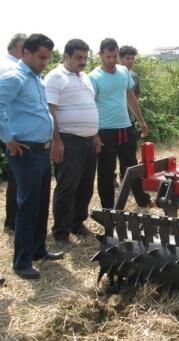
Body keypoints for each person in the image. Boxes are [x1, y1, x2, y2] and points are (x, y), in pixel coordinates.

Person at [0, 34, 64, 280]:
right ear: (25, 52)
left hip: (41, 149)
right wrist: (8, 138)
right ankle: (22, 261)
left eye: (47, 58)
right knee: (27, 206)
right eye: (41, 57)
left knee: (40, 202)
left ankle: (38, 249)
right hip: (24, 150)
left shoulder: (35, 79)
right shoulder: (14, 77)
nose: (44, 62)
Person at [44, 39, 100, 243]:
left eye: (85, 57)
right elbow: (50, 112)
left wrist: (94, 135)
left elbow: (89, 106)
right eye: (78, 57)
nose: (83, 61)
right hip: (68, 141)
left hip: (88, 141)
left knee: (86, 186)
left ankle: (77, 223)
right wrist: (56, 141)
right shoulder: (55, 77)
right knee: (67, 187)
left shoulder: (84, 77)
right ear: (66, 56)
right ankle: (61, 231)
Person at [89, 38, 152, 210]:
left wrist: (142, 122)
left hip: (126, 127)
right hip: (105, 131)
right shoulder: (94, 77)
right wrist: (94, 134)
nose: (111, 61)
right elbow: (89, 105)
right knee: (106, 172)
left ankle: (142, 200)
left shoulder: (124, 72)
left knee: (131, 167)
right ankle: (109, 210)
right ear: (100, 54)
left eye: (114, 56)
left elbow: (130, 97)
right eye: (108, 57)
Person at [117, 45, 154, 206]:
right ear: (119, 58)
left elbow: (134, 98)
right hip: (109, 124)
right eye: (127, 58)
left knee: (129, 159)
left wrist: (139, 120)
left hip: (128, 121)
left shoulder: (134, 77)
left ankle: (139, 196)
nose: (130, 61)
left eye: (132, 58)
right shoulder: (108, 75)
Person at [0, 33, 27, 234]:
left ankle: (12, 220)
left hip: (8, 128)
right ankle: (13, 221)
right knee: (18, 177)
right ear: (19, 49)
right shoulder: (12, 69)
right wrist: (8, 136)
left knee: (15, 175)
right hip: (11, 131)